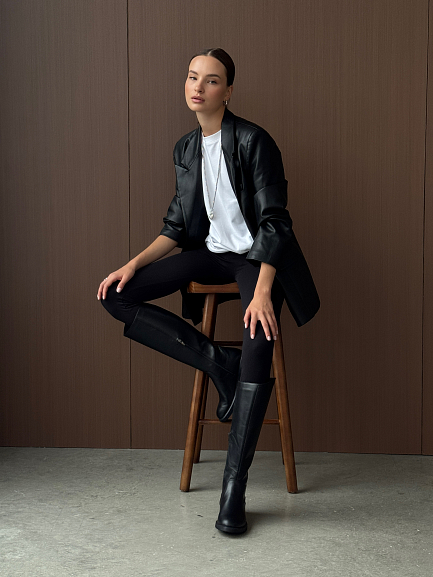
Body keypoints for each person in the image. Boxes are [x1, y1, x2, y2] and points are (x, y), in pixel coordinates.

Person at [97, 48, 320, 535]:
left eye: (212, 80)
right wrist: (132, 265)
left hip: (258, 259)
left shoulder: (254, 141)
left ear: (228, 91)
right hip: (213, 253)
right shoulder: (186, 148)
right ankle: (219, 362)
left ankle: (233, 489)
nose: (199, 86)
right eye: (193, 77)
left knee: (259, 337)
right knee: (116, 295)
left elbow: (276, 223)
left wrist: (263, 292)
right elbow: (177, 227)